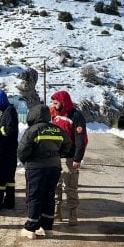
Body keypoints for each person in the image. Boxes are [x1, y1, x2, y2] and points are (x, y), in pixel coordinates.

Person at [17, 104, 70, 239]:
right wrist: (57, 155)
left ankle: (30, 228)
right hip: (54, 167)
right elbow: (68, 144)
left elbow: (22, 150)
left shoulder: (33, 130)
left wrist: (27, 160)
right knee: (49, 196)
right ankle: (47, 227)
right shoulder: (57, 129)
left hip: (36, 168)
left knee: (34, 196)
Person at [50, 90, 87, 225]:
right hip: (56, 158)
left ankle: (72, 214)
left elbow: (80, 139)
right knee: (55, 186)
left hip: (70, 158)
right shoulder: (55, 115)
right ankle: (56, 213)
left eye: (56, 103)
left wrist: (77, 158)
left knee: (70, 187)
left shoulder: (76, 116)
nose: (54, 105)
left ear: (63, 102)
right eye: (53, 103)